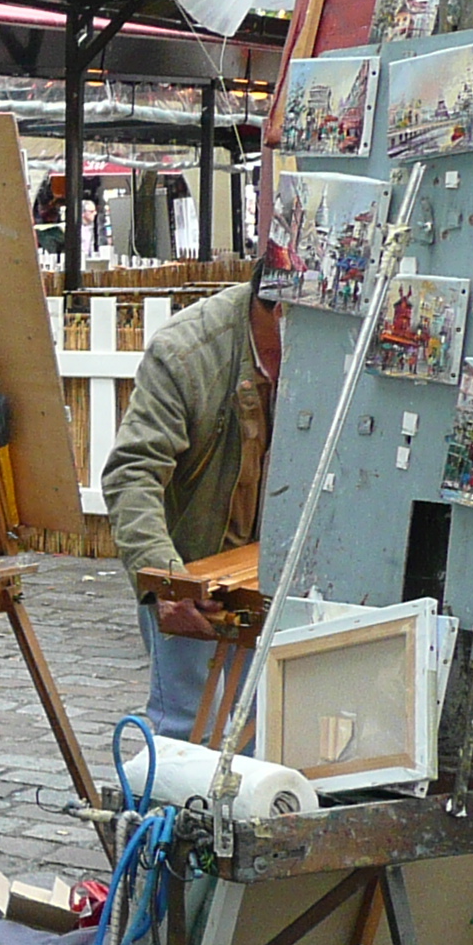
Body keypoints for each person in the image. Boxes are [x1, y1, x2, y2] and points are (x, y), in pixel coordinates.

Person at [99, 277, 278, 737]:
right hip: (193, 568)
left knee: (263, 733)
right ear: (279, 313)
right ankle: (169, 808)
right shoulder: (186, 352)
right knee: (185, 730)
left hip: (269, 573)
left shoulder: (332, 343)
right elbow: (132, 473)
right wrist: (165, 578)